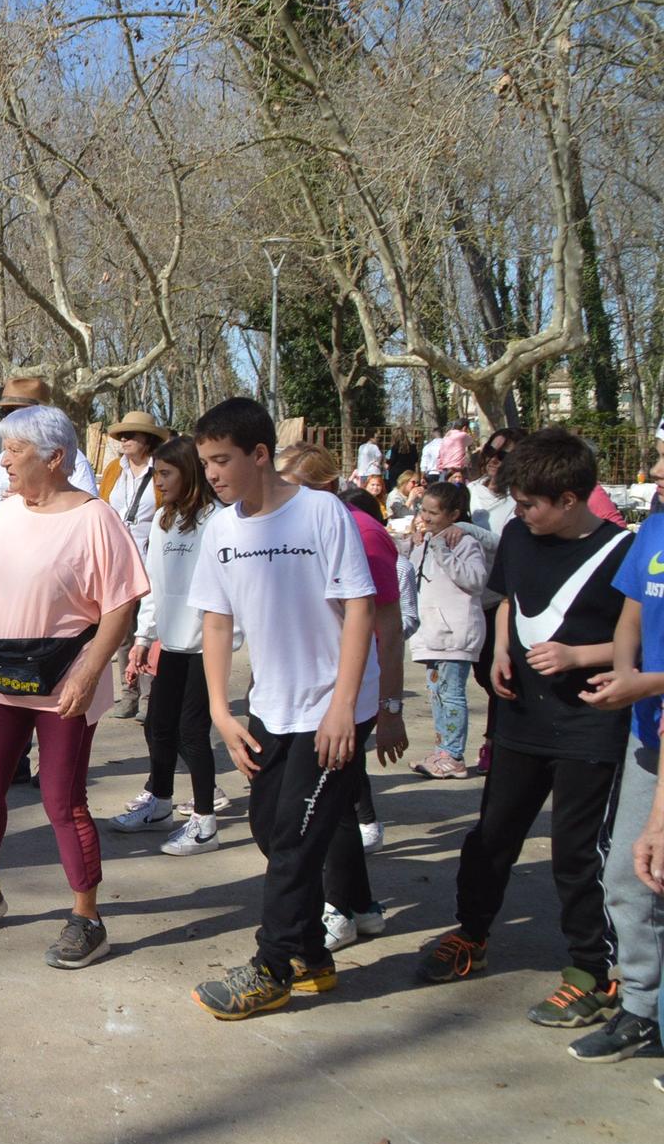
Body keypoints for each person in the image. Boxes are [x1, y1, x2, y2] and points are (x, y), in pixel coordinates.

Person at [415, 427, 633, 1030]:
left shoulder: (623, 551)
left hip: (590, 725)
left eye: (532, 502)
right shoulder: (517, 532)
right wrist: (502, 647)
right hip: (519, 718)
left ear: (569, 499)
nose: (521, 512)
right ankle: (473, 935)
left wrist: (576, 657)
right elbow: (510, 597)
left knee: (576, 851)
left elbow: (638, 643)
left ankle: (594, 973)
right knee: (492, 836)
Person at [0, 405, 147, 969]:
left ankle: (87, 917)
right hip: (4, 677)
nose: (3, 461)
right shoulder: (4, 515)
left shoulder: (97, 519)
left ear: (54, 458)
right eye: (5, 450)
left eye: (14, 451)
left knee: (60, 800)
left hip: (65, 682)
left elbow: (123, 602)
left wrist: (91, 668)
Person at [186, 399, 380, 1019]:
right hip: (271, 707)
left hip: (336, 705)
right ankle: (312, 957)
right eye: (205, 462)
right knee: (270, 830)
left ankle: (271, 969)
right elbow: (216, 623)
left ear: (260, 455)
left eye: (222, 460)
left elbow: (359, 609)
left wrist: (344, 709)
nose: (212, 473)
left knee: (295, 841)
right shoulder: (222, 529)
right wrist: (221, 709)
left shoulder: (322, 512)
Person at [275, 444, 410, 951]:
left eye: (290, 485)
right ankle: (361, 905)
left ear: (325, 488)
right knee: (338, 801)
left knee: (318, 806)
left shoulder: (364, 534)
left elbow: (388, 629)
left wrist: (390, 709)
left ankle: (336, 909)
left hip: (348, 695)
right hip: (306, 689)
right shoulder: (295, 529)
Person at [573, 431, 664, 1071]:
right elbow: (631, 613)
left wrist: (644, 683)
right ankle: (642, 1010)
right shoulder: (654, 531)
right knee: (630, 877)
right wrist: (625, 679)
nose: (656, 468)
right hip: (649, 738)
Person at [112, 436, 229, 854]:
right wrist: (145, 637)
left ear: (189, 472)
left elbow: (229, 593)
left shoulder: (219, 521)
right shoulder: (164, 520)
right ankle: (159, 802)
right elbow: (154, 587)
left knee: (192, 732)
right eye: (156, 474)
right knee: (158, 725)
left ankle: (205, 822)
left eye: (166, 473)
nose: (158, 482)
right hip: (171, 643)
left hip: (204, 647)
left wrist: (223, 643)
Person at [403, 480, 488, 779]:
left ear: (454, 514)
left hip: (455, 634)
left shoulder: (464, 543)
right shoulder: (425, 541)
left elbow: (476, 580)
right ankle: (443, 751)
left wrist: (442, 550)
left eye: (433, 513)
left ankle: (453, 755)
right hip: (432, 633)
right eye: (422, 510)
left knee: (450, 695)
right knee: (437, 694)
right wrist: (411, 545)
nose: (425, 517)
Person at [100, 411, 167, 720]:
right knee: (122, 631)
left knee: (149, 630)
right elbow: (102, 507)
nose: (124, 440)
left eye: (131, 435)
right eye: (121, 436)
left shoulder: (162, 471)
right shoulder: (114, 469)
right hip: (118, 562)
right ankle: (129, 694)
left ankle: (152, 695)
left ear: (147, 440)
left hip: (152, 560)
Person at [0, 377, 99, 534]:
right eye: (5, 411)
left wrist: (28, 503)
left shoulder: (74, 460)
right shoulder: (1, 461)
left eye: (19, 412)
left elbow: (84, 518)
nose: (9, 418)